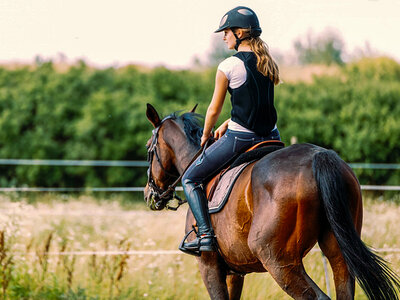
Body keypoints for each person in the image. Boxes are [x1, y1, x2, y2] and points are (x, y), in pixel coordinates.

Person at [181, 6, 281, 253]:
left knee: (190, 178)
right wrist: (230, 120)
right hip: (273, 138)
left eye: (226, 32)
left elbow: (213, 110)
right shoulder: (267, 62)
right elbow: (256, 104)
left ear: (239, 33)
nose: (223, 36)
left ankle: (205, 235)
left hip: (242, 139)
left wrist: (206, 135)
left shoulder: (229, 65)